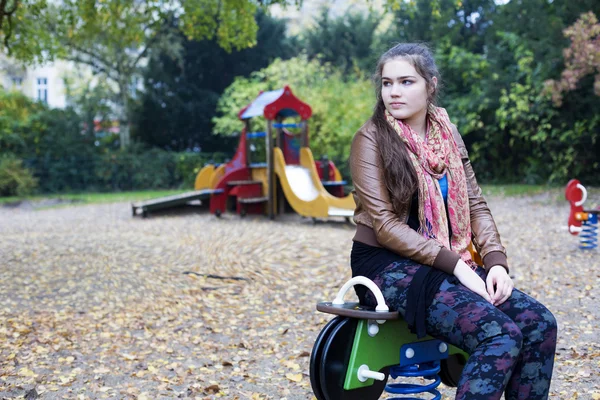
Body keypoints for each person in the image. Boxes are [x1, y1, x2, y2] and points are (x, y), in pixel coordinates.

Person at [349, 43, 557, 400]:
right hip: (387, 266)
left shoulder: (448, 134)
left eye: (406, 81)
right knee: (499, 335)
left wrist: (495, 262)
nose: (394, 92)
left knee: (540, 324)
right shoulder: (370, 139)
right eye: (387, 83)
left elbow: (474, 204)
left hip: (447, 260)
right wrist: (458, 268)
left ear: (431, 85)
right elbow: (384, 224)